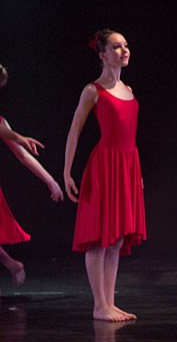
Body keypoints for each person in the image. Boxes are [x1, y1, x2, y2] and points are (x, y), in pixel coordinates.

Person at [63, 29, 147, 322]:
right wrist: (66, 171)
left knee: (116, 240)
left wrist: (136, 176)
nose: (124, 50)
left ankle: (109, 303)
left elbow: (130, 137)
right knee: (100, 238)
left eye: (126, 45)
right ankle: (99, 305)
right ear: (102, 54)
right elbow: (75, 130)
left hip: (127, 166)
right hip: (104, 167)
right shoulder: (92, 90)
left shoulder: (130, 90)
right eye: (116, 46)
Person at [0, 63, 64, 287]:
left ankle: (11, 264)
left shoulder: (2, 122)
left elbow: (23, 156)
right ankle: (11, 264)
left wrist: (50, 181)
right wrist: (20, 137)